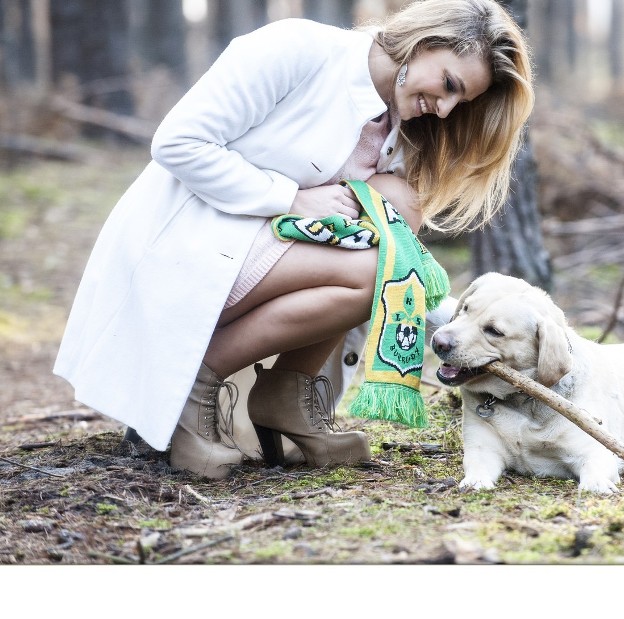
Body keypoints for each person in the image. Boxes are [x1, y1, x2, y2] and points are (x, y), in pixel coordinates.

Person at [54, 0, 535, 479]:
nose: (446, 108)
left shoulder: (401, 126)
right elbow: (178, 143)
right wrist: (288, 198)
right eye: (449, 84)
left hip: (257, 261)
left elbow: (402, 263)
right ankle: (192, 384)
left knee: (396, 212)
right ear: (425, 41)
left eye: (460, 102)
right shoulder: (297, 49)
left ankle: (287, 395)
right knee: (371, 270)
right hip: (187, 250)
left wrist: (472, 328)